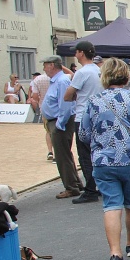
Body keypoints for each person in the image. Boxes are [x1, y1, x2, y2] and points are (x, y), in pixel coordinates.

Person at [78, 58, 130, 260]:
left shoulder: (94, 101)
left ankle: (115, 252)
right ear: (126, 75)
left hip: (104, 161)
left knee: (111, 205)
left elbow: (84, 134)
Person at [64, 41, 103, 204]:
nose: (75, 55)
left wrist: (75, 95)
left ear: (81, 53)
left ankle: (91, 189)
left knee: (85, 155)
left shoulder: (82, 72)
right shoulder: (98, 70)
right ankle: (98, 185)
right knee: (97, 152)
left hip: (83, 116)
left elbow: (68, 95)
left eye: (77, 52)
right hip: (98, 115)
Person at [41, 56, 83, 199]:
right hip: (56, 120)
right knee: (65, 154)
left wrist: (59, 124)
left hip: (60, 121)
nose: (44, 68)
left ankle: (71, 187)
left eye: (45, 65)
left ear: (52, 65)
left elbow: (66, 105)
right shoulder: (58, 81)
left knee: (62, 156)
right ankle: (75, 183)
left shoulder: (61, 81)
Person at [29, 72, 54, 159]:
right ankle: (57, 153)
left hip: (45, 108)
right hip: (57, 107)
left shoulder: (38, 79)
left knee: (48, 131)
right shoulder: (60, 78)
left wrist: (40, 100)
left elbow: (35, 96)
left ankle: (50, 151)